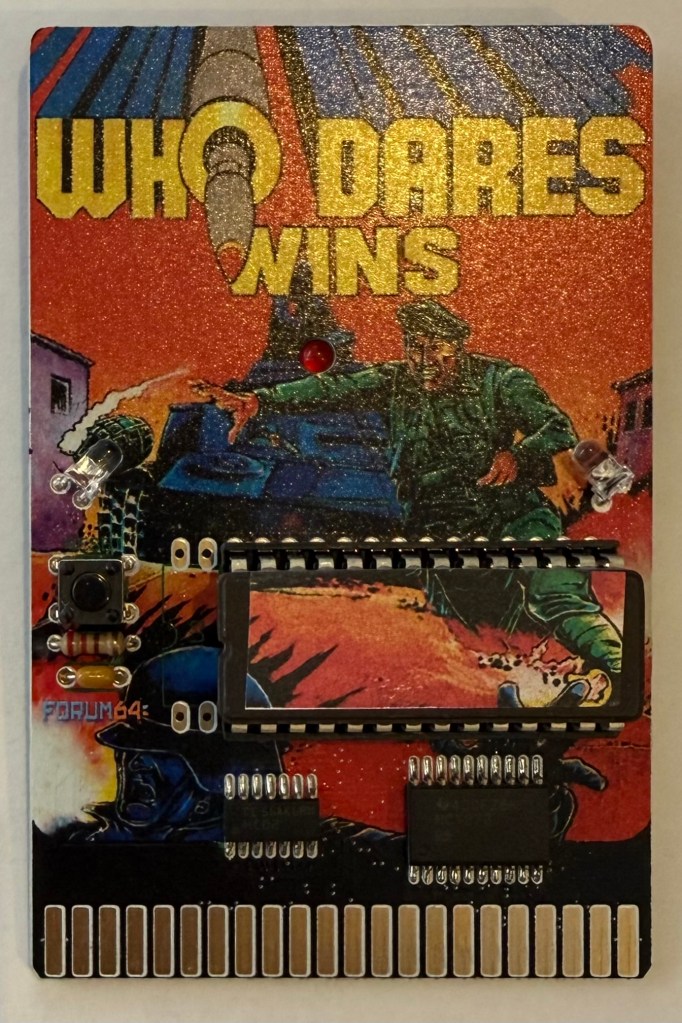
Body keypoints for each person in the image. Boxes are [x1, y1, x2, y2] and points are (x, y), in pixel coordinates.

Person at [194, 299, 576, 538]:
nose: (423, 361)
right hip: (435, 523)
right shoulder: (397, 379)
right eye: (414, 348)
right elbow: (335, 388)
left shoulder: (501, 381)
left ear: (458, 347)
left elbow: (559, 427)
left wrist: (517, 456)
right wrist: (260, 401)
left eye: (435, 348)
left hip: (506, 514)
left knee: (555, 598)